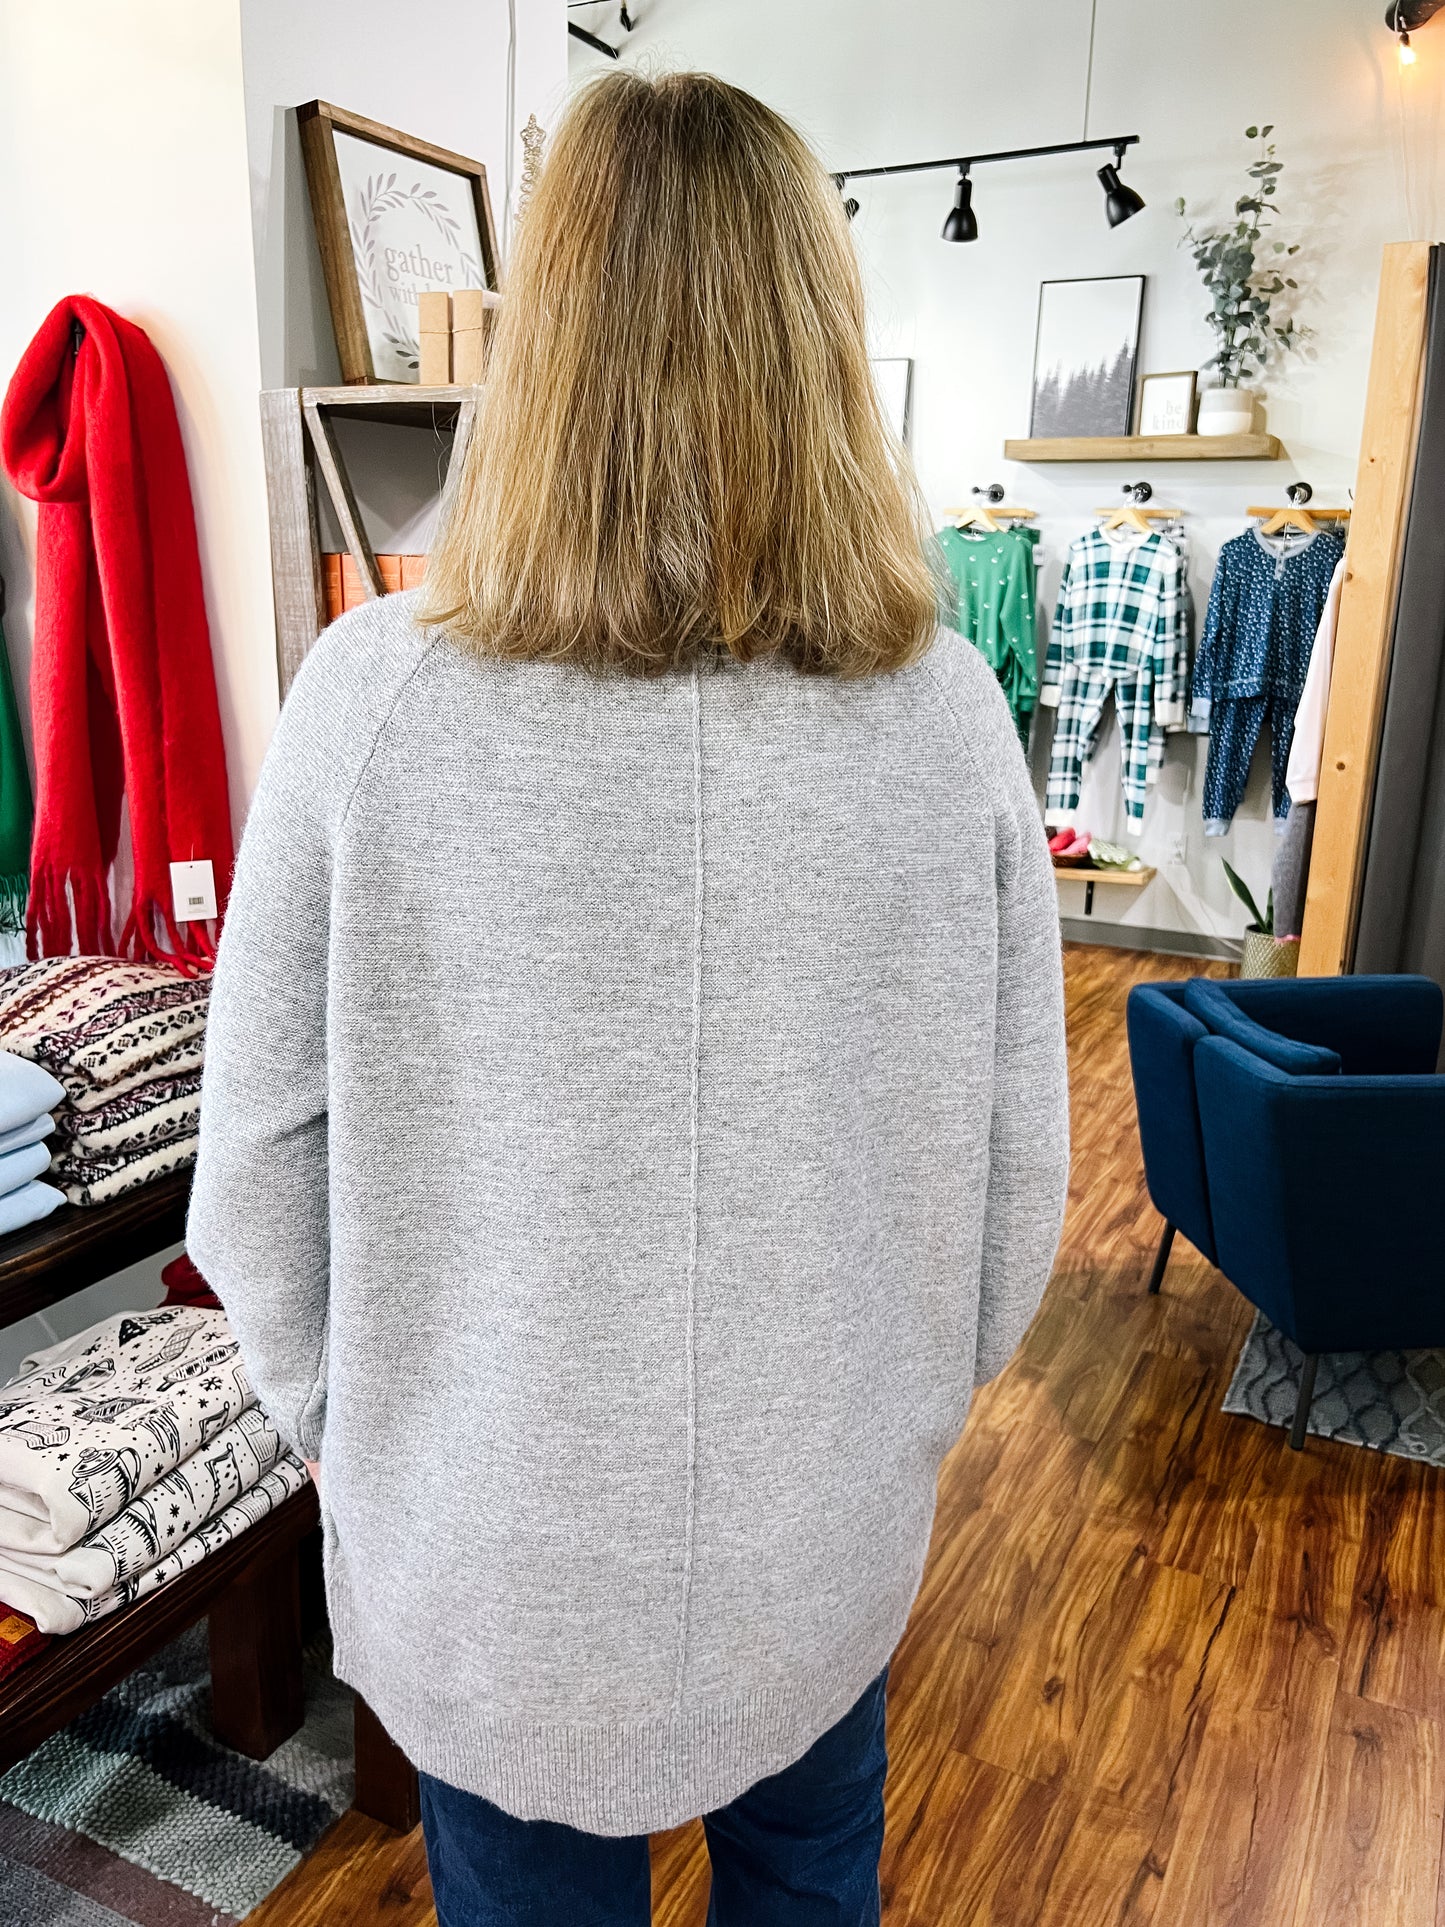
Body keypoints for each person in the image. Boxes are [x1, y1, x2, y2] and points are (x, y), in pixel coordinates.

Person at [189, 68, 1069, 1927]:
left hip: (488, 1540)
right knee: (813, 1886)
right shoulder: (942, 717)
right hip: (815, 1520)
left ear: (545, 332)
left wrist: (360, 1429)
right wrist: (898, 1409)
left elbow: (253, 1163)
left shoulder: (372, 701)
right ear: (815, 329)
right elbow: (1016, 1175)